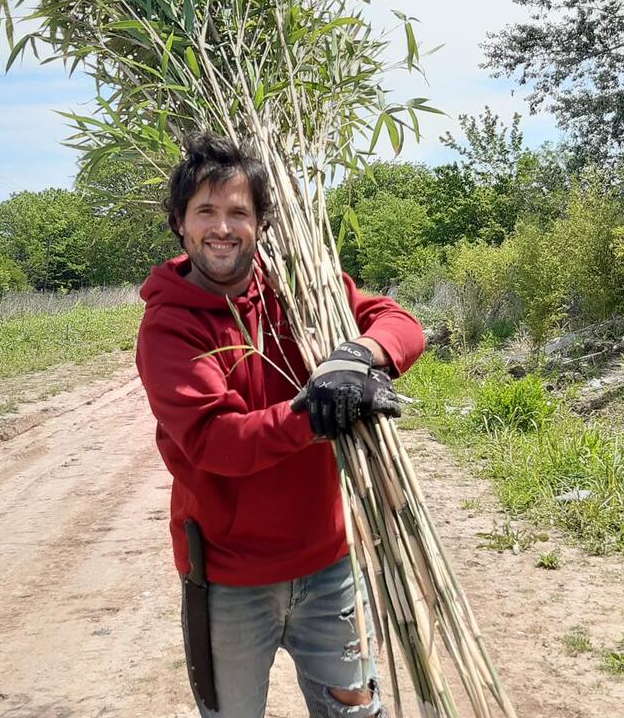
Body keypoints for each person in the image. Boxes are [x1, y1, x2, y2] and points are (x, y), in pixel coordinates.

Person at [135, 133, 425, 717]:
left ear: (261, 222)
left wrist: (356, 358)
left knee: (355, 708)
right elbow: (216, 442)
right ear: (179, 223)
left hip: (329, 561)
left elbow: (399, 323)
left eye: (238, 212)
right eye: (206, 212)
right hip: (228, 579)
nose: (222, 228)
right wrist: (312, 412)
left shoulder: (300, 291)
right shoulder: (168, 328)